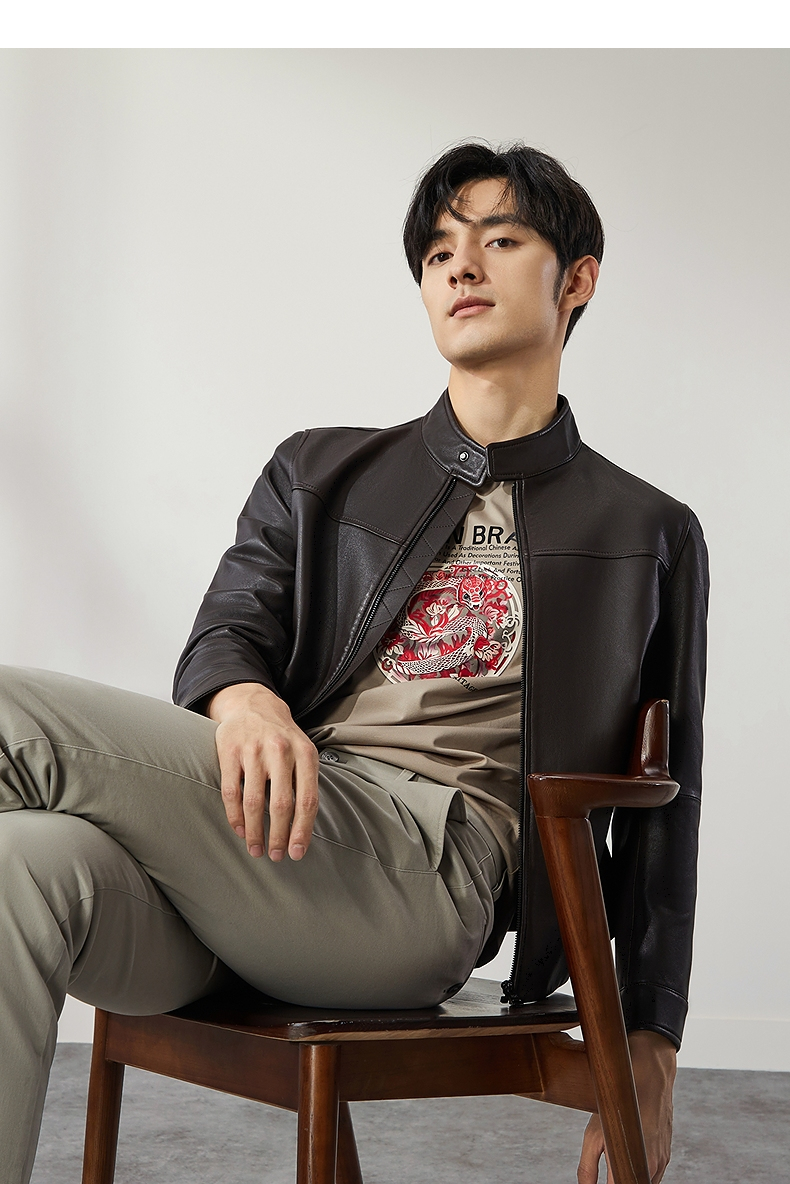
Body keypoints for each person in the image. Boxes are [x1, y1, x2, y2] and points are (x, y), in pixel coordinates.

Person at [0, 142, 708, 1184]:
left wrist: (651, 1038)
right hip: (265, 843)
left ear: (578, 279)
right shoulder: (320, 470)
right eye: (438, 250)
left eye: (500, 240)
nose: (460, 265)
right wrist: (244, 702)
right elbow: (228, 630)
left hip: (424, 880)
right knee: (23, 865)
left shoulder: (645, 528)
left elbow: (666, 801)